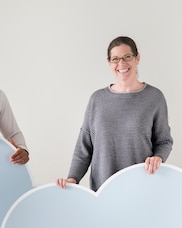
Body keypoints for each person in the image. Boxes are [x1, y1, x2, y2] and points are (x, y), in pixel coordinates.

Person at [57, 36, 173, 191]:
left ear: (137, 58)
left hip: (142, 187)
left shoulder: (154, 98)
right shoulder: (97, 100)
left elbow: (164, 141)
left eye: (127, 57)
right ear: (109, 63)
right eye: (115, 59)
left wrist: (158, 157)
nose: (122, 64)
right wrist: (73, 178)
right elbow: (84, 147)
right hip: (103, 190)